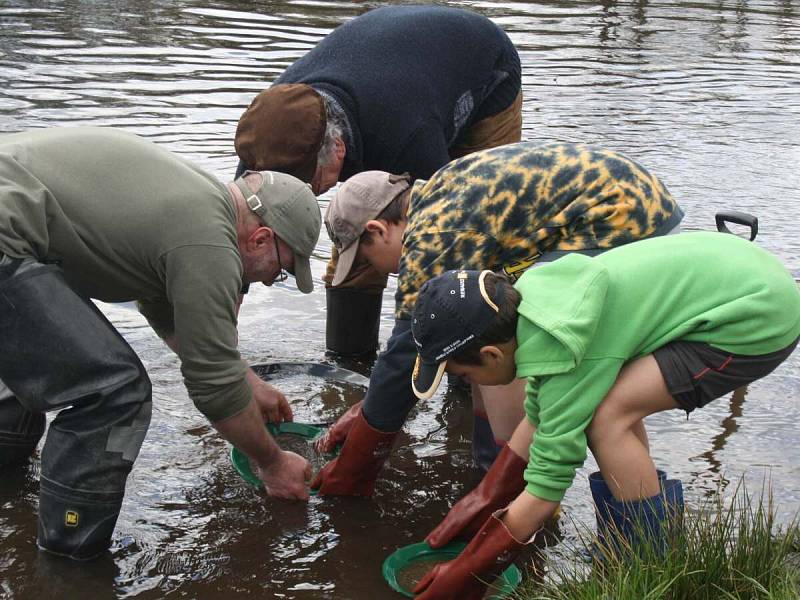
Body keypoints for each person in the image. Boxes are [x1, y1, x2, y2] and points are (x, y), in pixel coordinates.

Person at [405, 232, 800, 599]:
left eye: (463, 374)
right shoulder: (533, 308)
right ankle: (638, 542)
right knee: (612, 404)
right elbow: (542, 411)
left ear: (491, 355)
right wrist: (483, 497)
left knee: (607, 417)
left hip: (757, 316)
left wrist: (469, 571)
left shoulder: (566, 346)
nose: (469, 382)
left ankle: (649, 565)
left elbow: (546, 490)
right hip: (738, 274)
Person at [0, 127, 321, 560]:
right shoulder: (211, 242)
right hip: (7, 235)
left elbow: (164, 309)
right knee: (115, 393)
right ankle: (66, 562)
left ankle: (8, 493)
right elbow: (213, 385)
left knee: (44, 361)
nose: (268, 280)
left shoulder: (205, 203)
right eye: (279, 270)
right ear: (260, 238)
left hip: (14, 224)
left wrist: (247, 380)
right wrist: (273, 463)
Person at [311, 141, 684, 496]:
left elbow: (407, 354)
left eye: (365, 259)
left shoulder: (431, 237)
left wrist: (354, 467)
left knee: (527, 347)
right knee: (483, 329)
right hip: (637, 199)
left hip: (619, 220)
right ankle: (498, 471)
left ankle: (515, 488)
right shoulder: (435, 196)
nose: (376, 271)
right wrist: (365, 411)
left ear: (377, 230)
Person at [233, 4, 523, 356]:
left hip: (481, 67)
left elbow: (450, 237)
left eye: (309, 185)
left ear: (338, 148)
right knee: (355, 238)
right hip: (392, 68)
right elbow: (234, 243)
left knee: (469, 242)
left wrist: (396, 379)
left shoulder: (408, 140)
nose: (303, 198)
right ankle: (349, 364)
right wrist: (224, 344)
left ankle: (470, 372)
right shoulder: (269, 132)